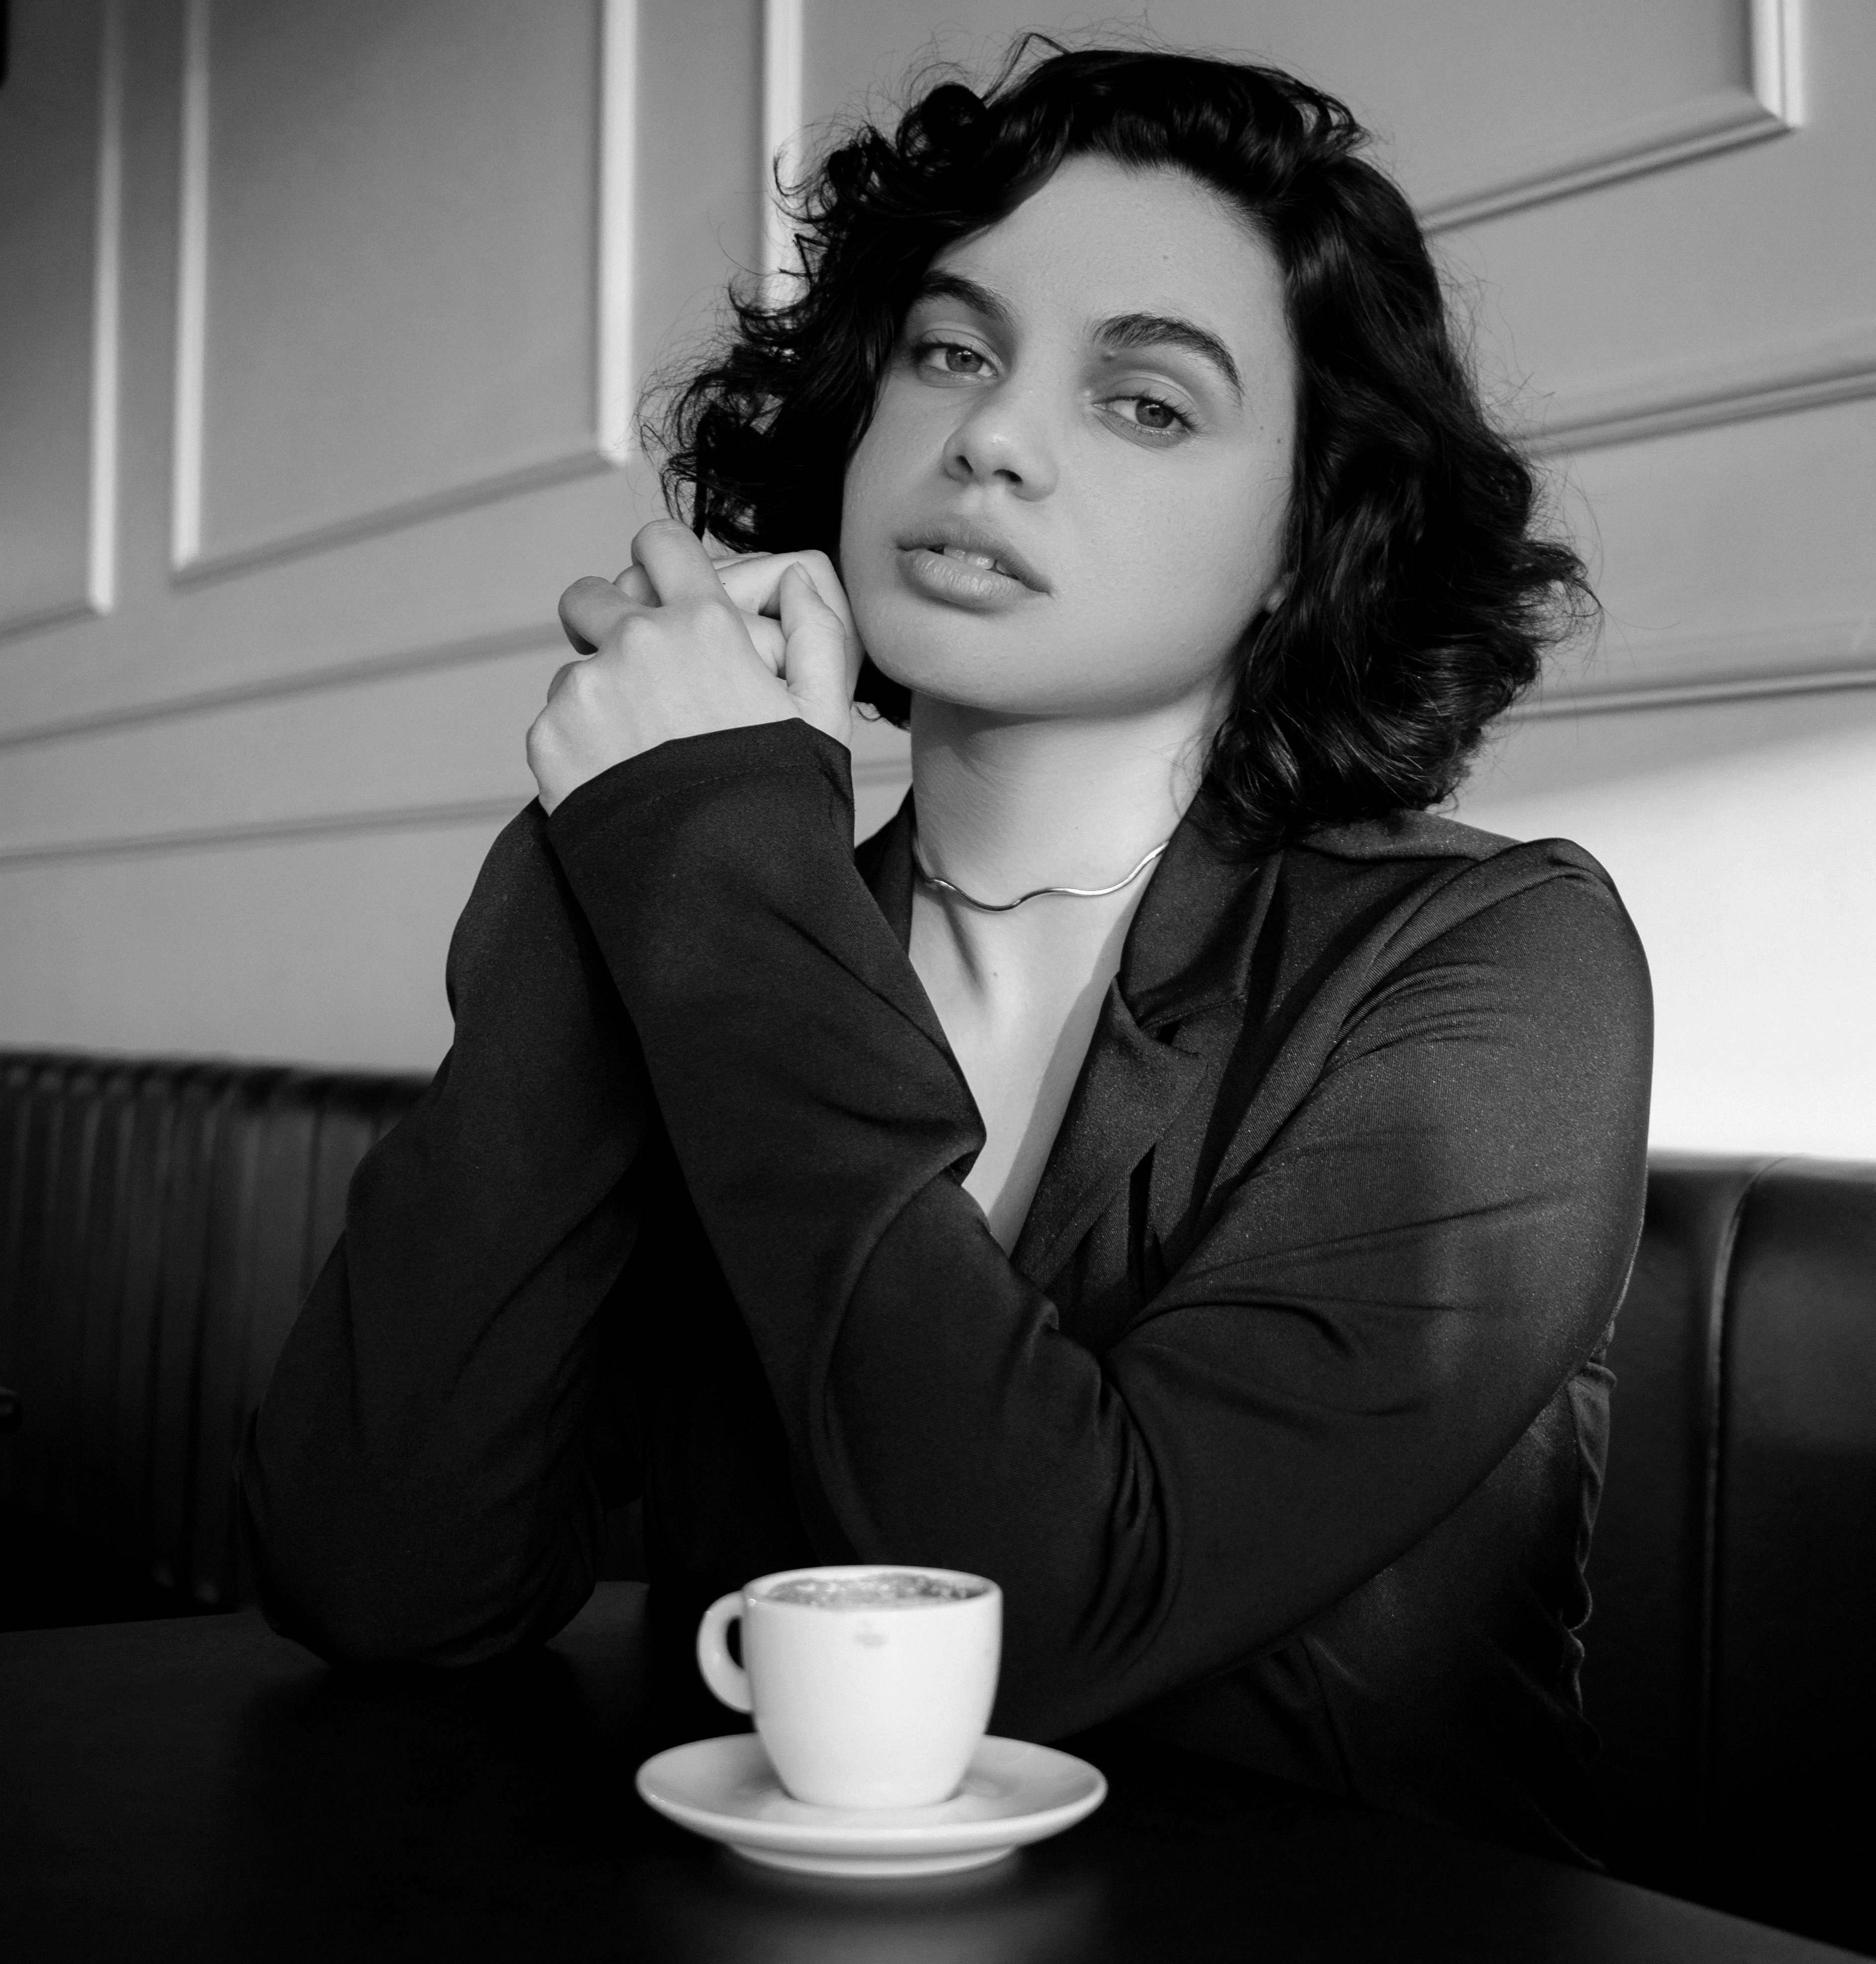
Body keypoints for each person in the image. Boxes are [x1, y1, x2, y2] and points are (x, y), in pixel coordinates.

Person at [239, 40, 1652, 1863]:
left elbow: (1049, 1618)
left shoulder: (1495, 968)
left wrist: (708, 860)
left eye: (1146, 401)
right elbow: (378, 1570)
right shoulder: (726, 901)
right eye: (950, 350)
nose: (991, 435)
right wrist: (619, 852)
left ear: (1306, 546)